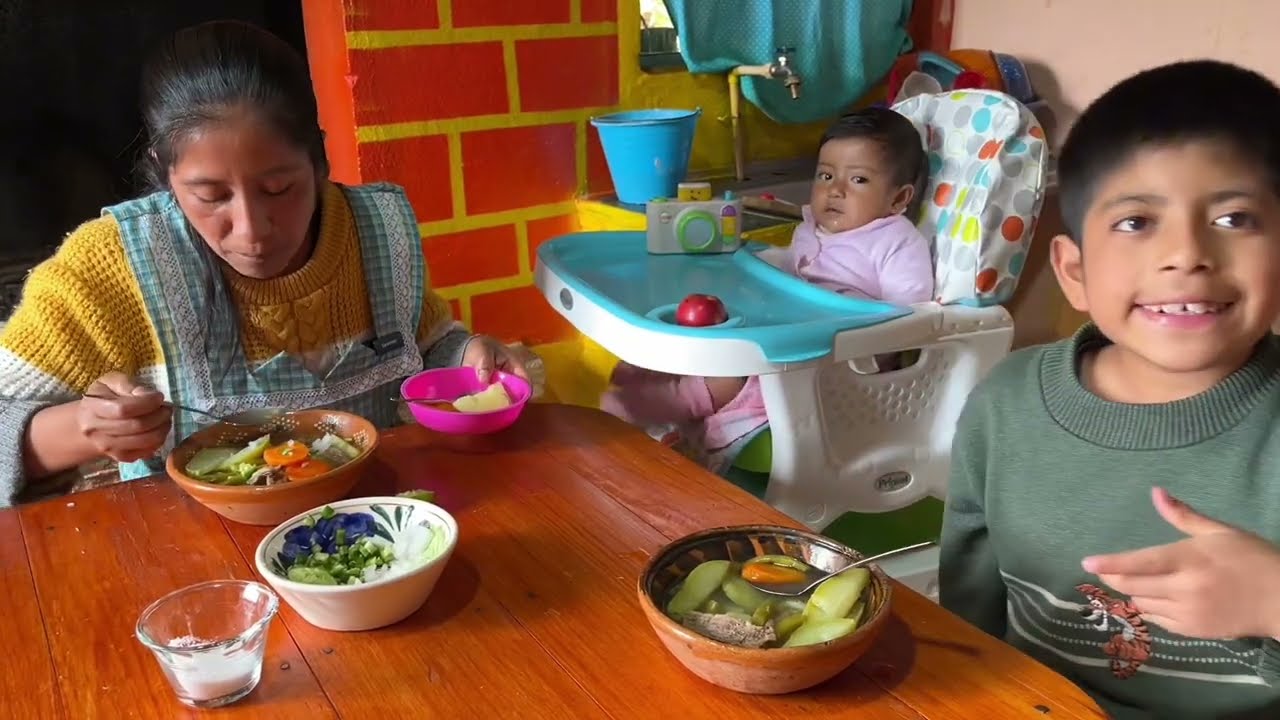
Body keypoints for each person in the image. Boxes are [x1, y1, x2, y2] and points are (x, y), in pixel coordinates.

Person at [0, 20, 527, 507]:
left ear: (319, 161)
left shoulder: (375, 234)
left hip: (375, 532)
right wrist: (83, 428)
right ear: (165, 175)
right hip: (201, 563)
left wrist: (468, 356)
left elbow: (429, 345)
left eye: (280, 189)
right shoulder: (110, 269)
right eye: (210, 195)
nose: (252, 230)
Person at [939, 59, 1280, 719]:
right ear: (1073, 271)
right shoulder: (1005, 406)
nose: (1186, 254)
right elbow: (969, 614)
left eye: (1235, 218)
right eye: (1135, 222)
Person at [600, 107, 935, 471]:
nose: (834, 190)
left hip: (841, 360)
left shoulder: (896, 241)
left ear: (899, 199)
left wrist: (844, 313)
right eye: (825, 174)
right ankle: (653, 379)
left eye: (858, 181)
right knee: (715, 329)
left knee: (738, 363)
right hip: (792, 329)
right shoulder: (812, 228)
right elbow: (791, 268)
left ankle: (674, 407)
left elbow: (907, 318)